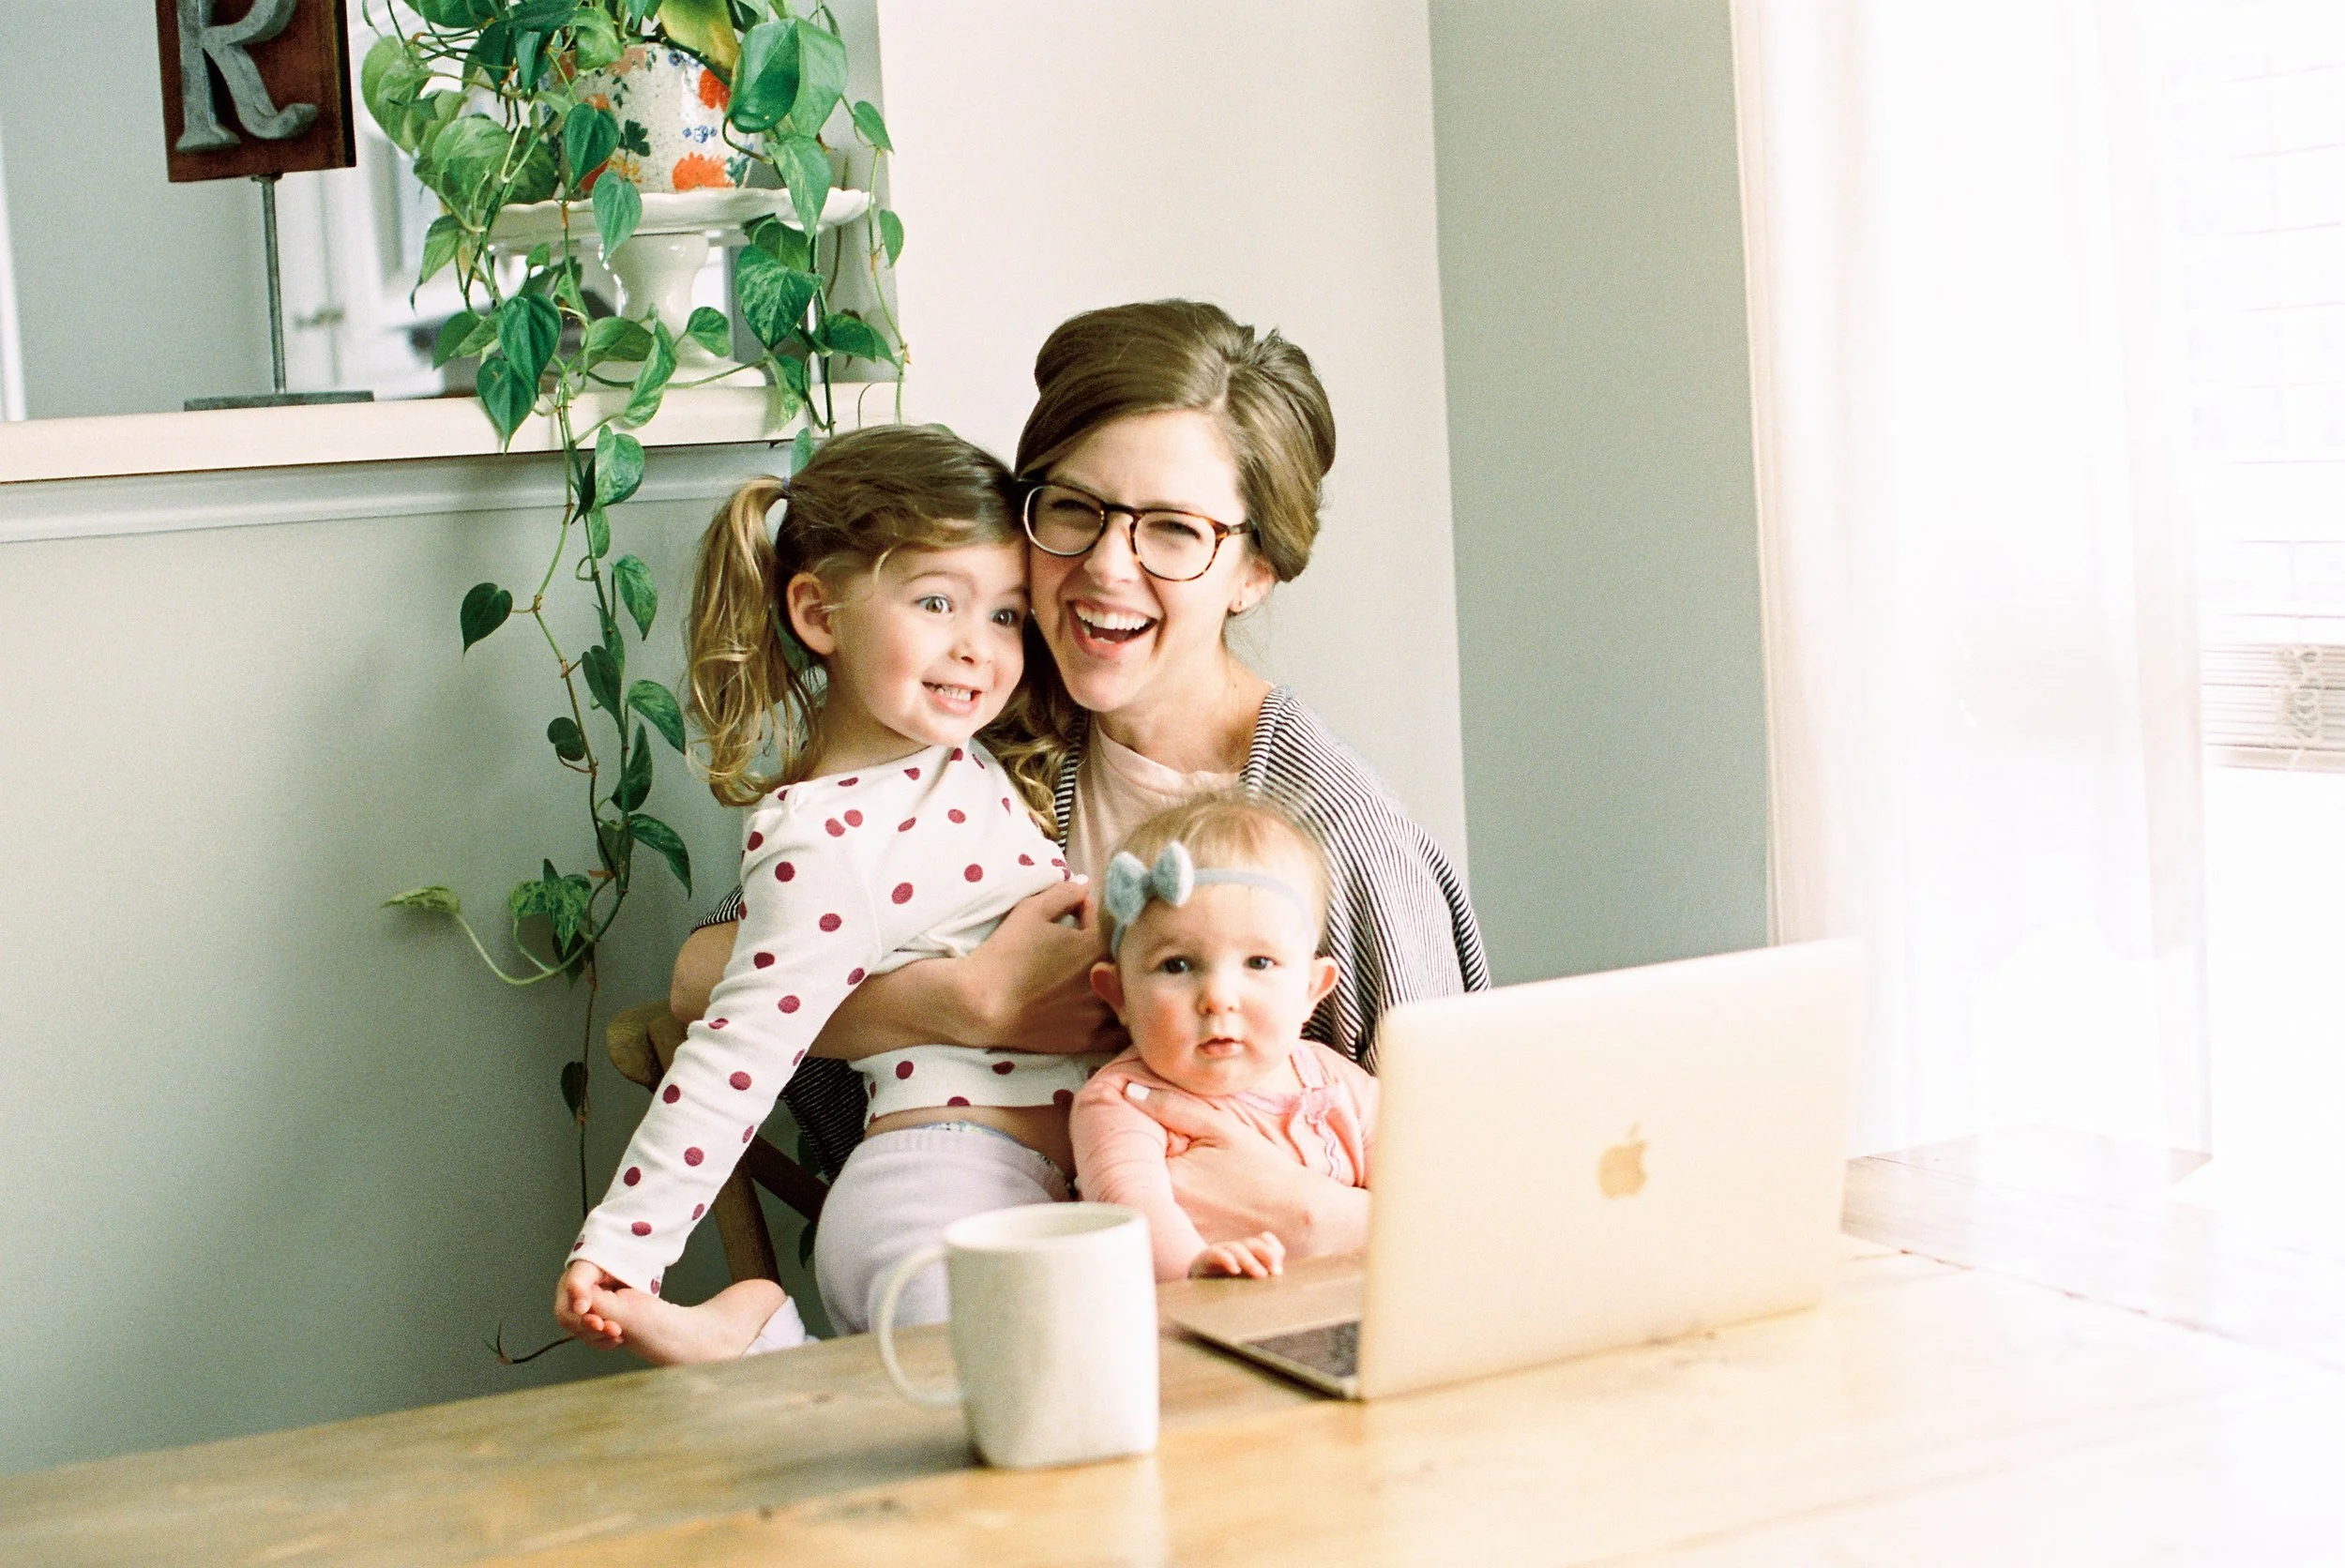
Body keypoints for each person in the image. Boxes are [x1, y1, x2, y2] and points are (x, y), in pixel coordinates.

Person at [674, 298, 1487, 1264]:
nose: (1107, 566)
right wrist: (966, 1002)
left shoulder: (1328, 830)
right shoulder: (984, 735)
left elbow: (1470, 1191)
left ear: (1255, 570)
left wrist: (1302, 1211)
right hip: (979, 1257)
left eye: (1174, 530)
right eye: (1075, 509)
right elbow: (702, 973)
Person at [553, 423, 1106, 1364]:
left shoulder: (955, 764)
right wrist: (620, 1251)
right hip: (940, 1183)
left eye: (1007, 616)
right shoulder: (824, 840)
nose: (978, 648)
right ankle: (762, 1357)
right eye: (937, 602)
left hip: (1048, 1183)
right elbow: (738, 1052)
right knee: (967, 1396)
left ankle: (763, 1340)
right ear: (818, 614)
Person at [1071, 793, 1378, 1282]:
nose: (1217, 997)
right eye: (1177, 965)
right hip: (1202, 1314)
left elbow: (1424, 1191)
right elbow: (1132, 1209)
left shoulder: (1340, 1083)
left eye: (1259, 962)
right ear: (1119, 995)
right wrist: (1195, 1270)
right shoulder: (1122, 1103)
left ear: (1311, 990)